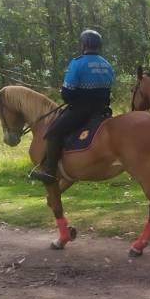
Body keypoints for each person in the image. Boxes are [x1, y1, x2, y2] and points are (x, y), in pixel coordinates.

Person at [29, 29, 114, 184]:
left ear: (84, 44)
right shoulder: (107, 65)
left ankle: (50, 171)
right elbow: (108, 90)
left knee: (53, 132)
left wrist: (70, 95)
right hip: (102, 111)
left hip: (81, 111)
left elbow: (67, 94)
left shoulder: (78, 63)